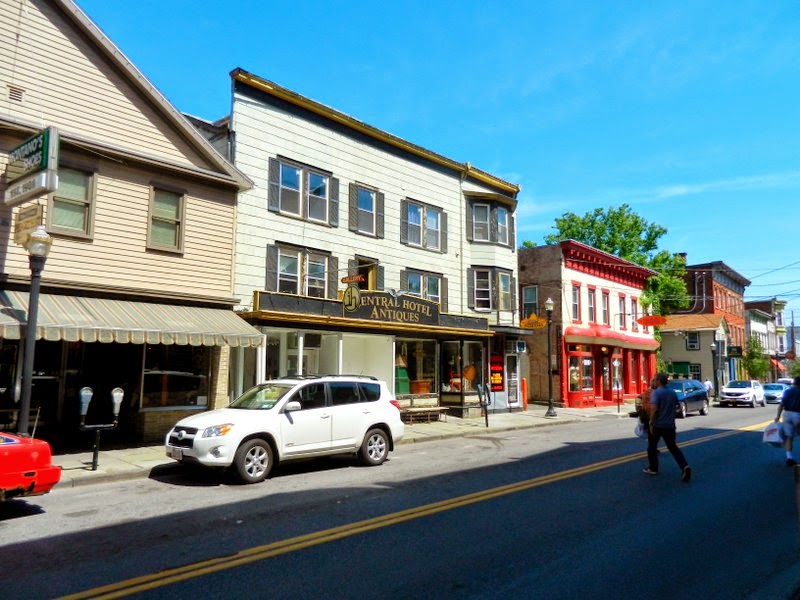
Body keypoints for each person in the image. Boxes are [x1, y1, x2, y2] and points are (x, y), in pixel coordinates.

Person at [644, 372, 692, 482]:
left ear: (659, 381)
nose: (654, 381)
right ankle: (685, 466)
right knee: (673, 447)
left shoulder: (656, 393)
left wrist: (651, 422)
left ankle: (653, 467)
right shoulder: (672, 393)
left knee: (652, 446)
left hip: (658, 425)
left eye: (655, 380)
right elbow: (676, 407)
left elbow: (654, 409)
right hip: (670, 425)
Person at [774, 376, 800, 466]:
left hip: (787, 414)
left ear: (794, 383)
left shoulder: (788, 391)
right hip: (798, 414)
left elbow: (781, 405)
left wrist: (777, 416)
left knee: (789, 437)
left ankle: (789, 458)